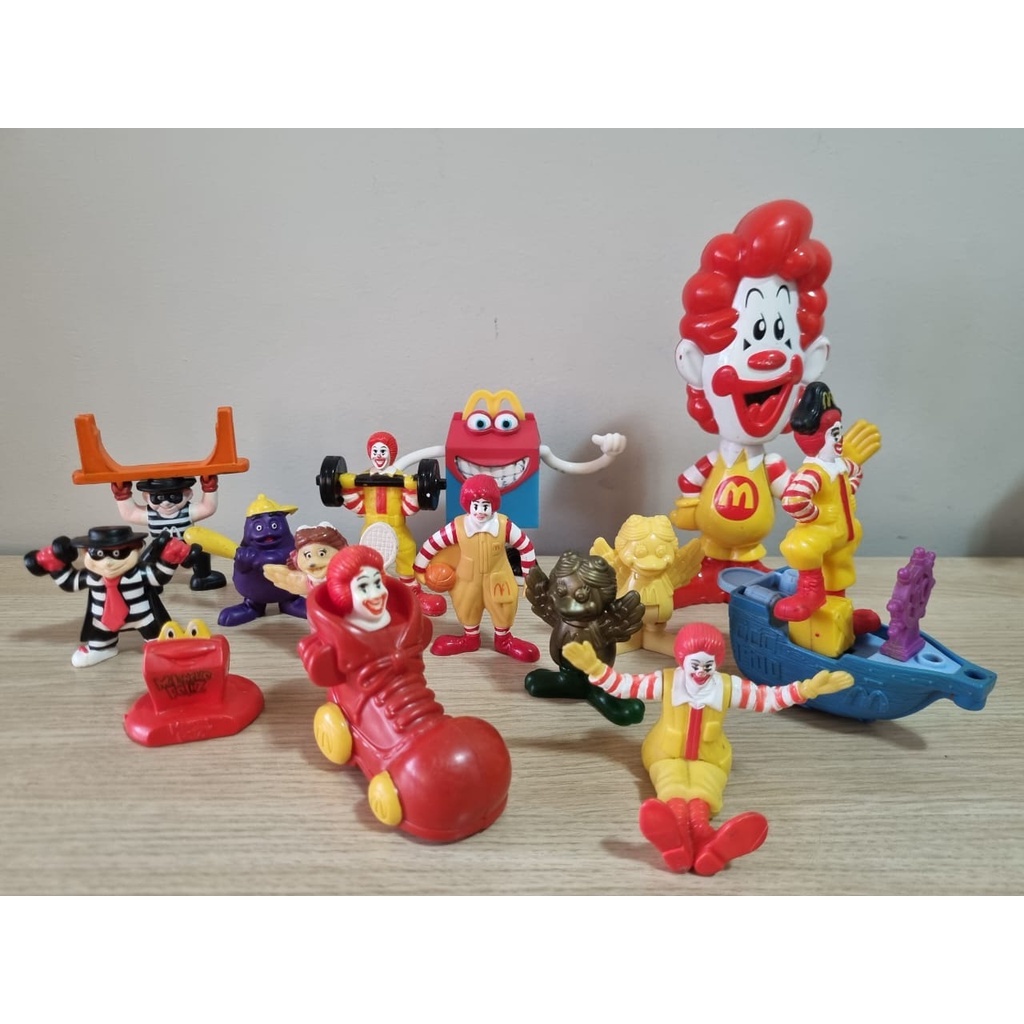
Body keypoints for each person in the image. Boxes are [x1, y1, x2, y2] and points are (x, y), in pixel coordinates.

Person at [563, 622, 852, 875]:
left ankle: (696, 839)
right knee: (673, 786)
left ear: (716, 664)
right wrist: (595, 669)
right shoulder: (666, 681)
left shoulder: (727, 687)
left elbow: (767, 699)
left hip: (711, 758)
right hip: (665, 754)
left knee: (702, 792)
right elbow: (625, 686)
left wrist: (807, 690)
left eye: (708, 666)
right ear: (682, 661)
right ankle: (686, 832)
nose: (701, 672)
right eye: (695, 665)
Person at [671, 200, 832, 605]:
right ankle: (710, 571)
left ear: (813, 359)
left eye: (782, 335)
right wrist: (689, 506)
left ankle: (745, 574)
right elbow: (689, 480)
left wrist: (822, 480)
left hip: (753, 555)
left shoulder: (771, 463)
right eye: (752, 336)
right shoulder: (716, 461)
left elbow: (792, 492)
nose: (770, 357)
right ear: (694, 364)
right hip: (709, 545)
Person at [774, 382, 881, 624]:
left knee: (838, 572)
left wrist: (849, 493)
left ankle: (839, 614)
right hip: (823, 535)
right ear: (816, 439)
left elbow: (857, 472)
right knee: (799, 545)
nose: (840, 439)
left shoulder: (841, 465)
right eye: (834, 434)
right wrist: (819, 514)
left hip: (845, 534)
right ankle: (810, 593)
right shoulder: (813, 472)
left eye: (839, 431)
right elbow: (793, 501)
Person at [24, 524, 194, 667]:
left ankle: (159, 646)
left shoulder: (139, 573)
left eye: (117, 554)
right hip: (103, 622)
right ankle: (103, 649)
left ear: (137, 548)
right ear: (85, 553)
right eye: (98, 554)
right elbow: (70, 582)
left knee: (158, 637)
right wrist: (55, 565)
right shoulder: (91, 577)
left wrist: (169, 559)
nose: (107, 563)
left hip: (143, 618)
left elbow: (158, 577)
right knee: (100, 638)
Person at [414, 474, 539, 662]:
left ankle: (504, 640)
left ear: (493, 505)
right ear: (468, 505)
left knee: (504, 607)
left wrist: (529, 577)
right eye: (476, 505)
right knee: (466, 607)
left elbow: (526, 546)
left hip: (498, 579)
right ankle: (470, 638)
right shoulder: (458, 527)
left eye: (485, 506)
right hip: (467, 580)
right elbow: (432, 544)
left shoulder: (504, 526)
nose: (480, 511)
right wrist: (420, 569)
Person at [111, 475, 225, 590]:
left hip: (186, 548)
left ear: (188, 494)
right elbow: (130, 514)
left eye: (173, 496)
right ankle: (150, 582)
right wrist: (122, 495)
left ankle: (203, 577)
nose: (166, 503)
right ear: (146, 497)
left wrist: (209, 487)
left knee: (202, 552)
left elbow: (208, 508)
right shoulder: (149, 514)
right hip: (160, 548)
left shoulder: (188, 511)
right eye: (158, 497)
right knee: (146, 560)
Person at [262, 522, 348, 596]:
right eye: (308, 555)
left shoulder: (345, 575)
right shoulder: (308, 581)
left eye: (322, 554)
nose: (313, 562)